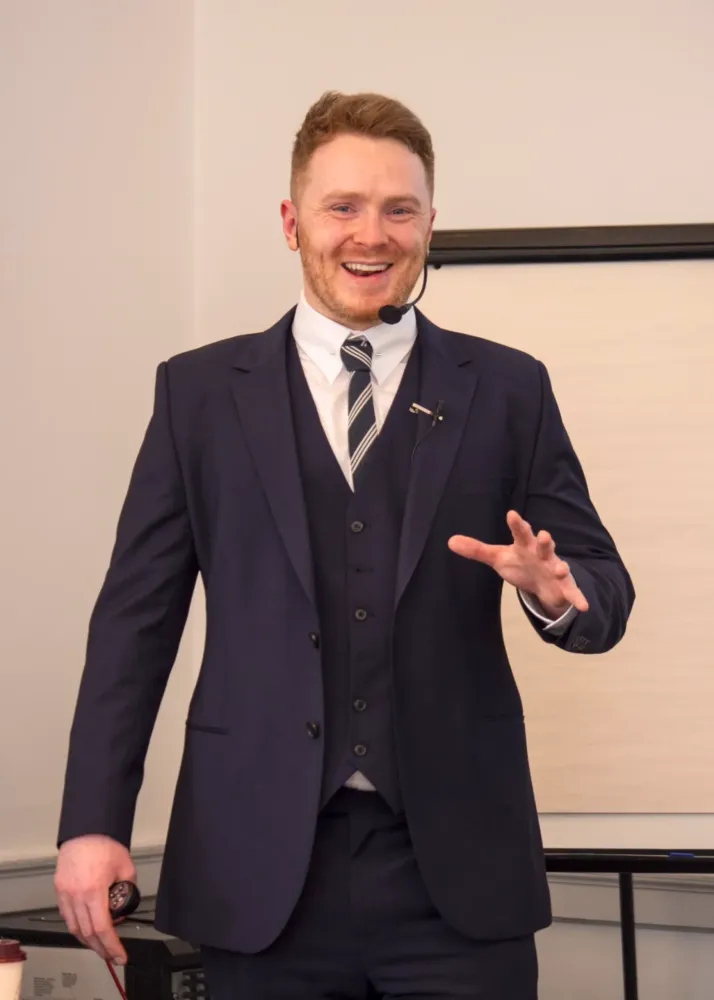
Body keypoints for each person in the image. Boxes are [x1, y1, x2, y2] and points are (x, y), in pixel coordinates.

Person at [54, 91, 635, 999]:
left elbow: (603, 586)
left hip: (458, 877)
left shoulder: (510, 389)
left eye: (399, 209)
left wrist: (554, 594)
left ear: (430, 223)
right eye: (344, 207)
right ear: (292, 223)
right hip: (259, 870)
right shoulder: (199, 397)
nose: (373, 234)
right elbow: (135, 623)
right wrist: (92, 824)